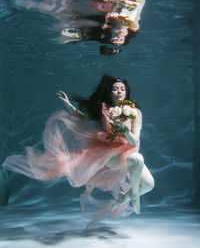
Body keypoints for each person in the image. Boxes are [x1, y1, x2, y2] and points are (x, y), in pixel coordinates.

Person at [3, 74, 154, 219]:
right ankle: (134, 198)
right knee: (137, 159)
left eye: (122, 89)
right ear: (110, 92)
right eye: (115, 89)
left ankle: (125, 198)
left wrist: (125, 130)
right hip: (109, 156)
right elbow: (82, 118)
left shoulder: (135, 112)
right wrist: (68, 104)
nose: (119, 92)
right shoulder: (104, 109)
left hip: (129, 151)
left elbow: (134, 141)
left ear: (127, 92)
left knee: (148, 185)